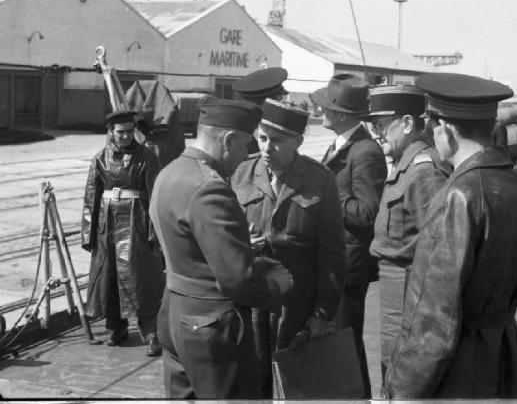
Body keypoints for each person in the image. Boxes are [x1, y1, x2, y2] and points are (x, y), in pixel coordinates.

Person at [384, 73, 517, 399]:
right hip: (503, 355)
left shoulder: (457, 196)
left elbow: (431, 321)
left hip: (459, 369)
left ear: (445, 129)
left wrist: (399, 393)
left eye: (433, 127)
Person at [149, 98, 294, 399]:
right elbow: (237, 280)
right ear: (228, 140)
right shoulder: (210, 187)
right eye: (244, 146)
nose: (245, 157)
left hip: (176, 314)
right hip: (212, 327)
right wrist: (276, 284)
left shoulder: (168, 173)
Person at [231, 99, 347, 398]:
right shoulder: (240, 173)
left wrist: (323, 313)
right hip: (251, 303)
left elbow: (332, 255)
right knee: (252, 384)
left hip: (298, 306)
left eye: (278, 141)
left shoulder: (320, 180)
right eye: (262, 138)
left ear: (298, 142)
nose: (267, 148)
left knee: (296, 386)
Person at [363, 85, 449, 384]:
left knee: (401, 367)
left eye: (382, 125)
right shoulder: (406, 163)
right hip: (395, 285)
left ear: (409, 124)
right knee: (391, 361)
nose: (377, 133)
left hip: (408, 286)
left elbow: (441, 246)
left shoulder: (423, 170)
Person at [309, 73, 387, 398]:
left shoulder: (365, 151)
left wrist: (329, 194)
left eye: (325, 107)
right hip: (337, 260)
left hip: (349, 266)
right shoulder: (345, 144)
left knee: (345, 343)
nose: (320, 111)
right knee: (339, 344)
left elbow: (368, 213)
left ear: (341, 114)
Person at [81, 110, 164, 357]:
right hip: (108, 226)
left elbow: (155, 198)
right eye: (120, 132)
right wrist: (89, 233)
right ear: (111, 132)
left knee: (143, 278)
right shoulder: (100, 159)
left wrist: (154, 233)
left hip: (137, 223)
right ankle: (116, 328)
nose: (126, 136)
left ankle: (151, 333)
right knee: (110, 277)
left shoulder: (147, 158)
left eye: (129, 131)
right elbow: (90, 197)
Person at [232, 67, 289, 154]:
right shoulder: (240, 137)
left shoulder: (259, 126)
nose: (283, 104)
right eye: (280, 99)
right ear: (266, 103)